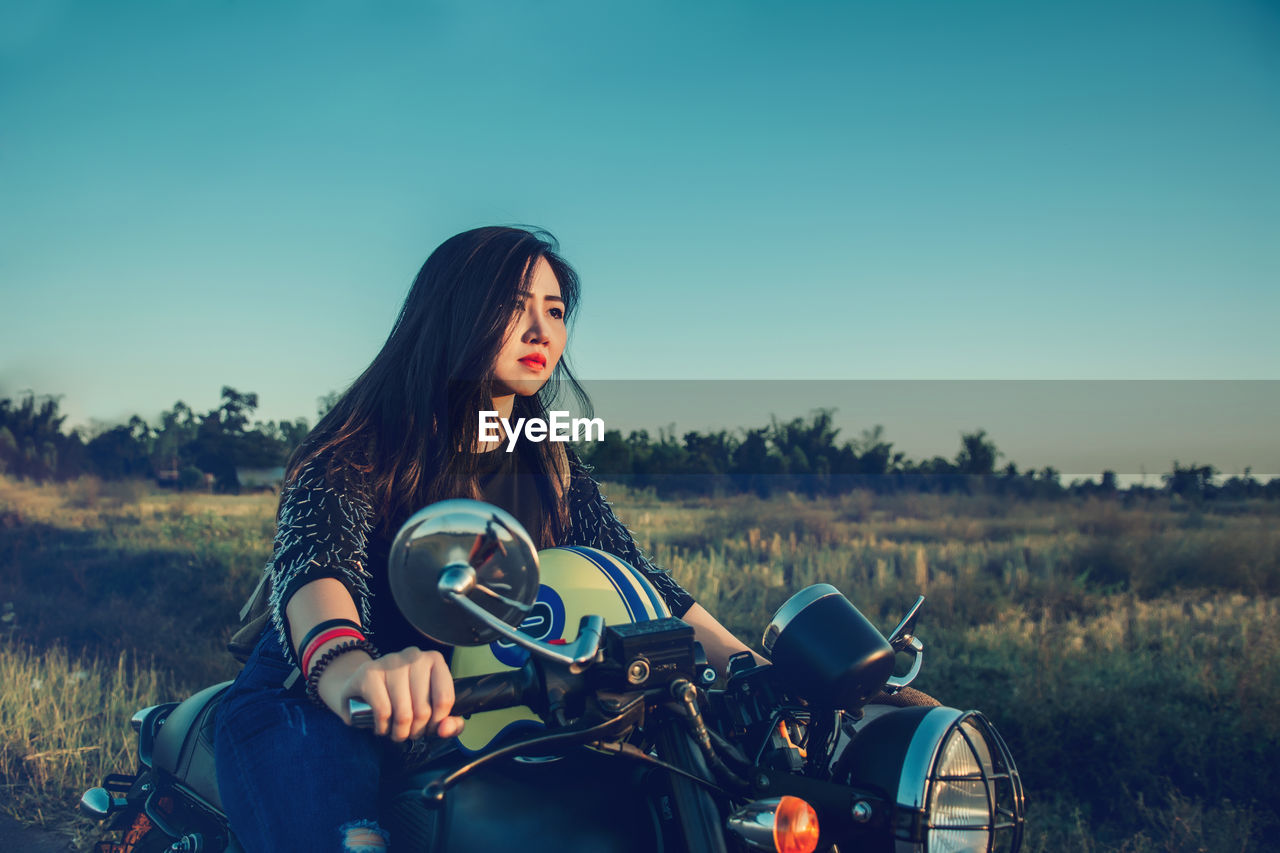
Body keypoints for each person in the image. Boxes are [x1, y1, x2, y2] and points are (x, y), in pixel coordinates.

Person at [213, 226, 764, 852]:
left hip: (480, 699)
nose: (542, 331)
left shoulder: (549, 464)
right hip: (321, 702)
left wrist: (751, 666)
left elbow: (633, 574)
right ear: (453, 310)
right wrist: (350, 669)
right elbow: (317, 565)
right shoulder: (360, 447)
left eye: (554, 311)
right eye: (513, 306)